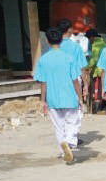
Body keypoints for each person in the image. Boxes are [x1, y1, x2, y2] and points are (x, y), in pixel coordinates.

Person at [34, 28, 83, 163]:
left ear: (47, 41)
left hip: (53, 98)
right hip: (70, 96)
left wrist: (42, 100)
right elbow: (75, 80)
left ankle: (63, 151)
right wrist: (80, 97)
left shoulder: (43, 60)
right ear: (61, 39)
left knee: (58, 126)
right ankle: (69, 143)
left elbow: (43, 82)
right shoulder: (69, 58)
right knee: (72, 122)